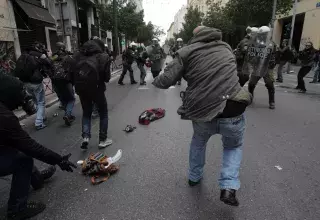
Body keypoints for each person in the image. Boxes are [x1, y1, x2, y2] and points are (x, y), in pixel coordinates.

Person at [153, 26, 252, 207]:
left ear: (195, 37)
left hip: (202, 109)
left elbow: (165, 81)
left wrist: (156, 78)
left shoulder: (186, 51)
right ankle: (229, 187)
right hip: (233, 106)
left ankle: (194, 177)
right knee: (233, 147)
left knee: (199, 141)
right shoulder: (226, 47)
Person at [0, 73, 76, 220]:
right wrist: (59, 159)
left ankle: (35, 178)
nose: (18, 105)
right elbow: (29, 146)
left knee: (16, 148)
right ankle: (16, 209)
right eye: (18, 98)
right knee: (24, 160)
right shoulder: (4, 117)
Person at [73, 38, 113, 150]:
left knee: (86, 113)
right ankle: (103, 140)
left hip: (81, 89)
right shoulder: (103, 56)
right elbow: (107, 78)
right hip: (97, 89)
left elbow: (72, 74)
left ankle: (85, 137)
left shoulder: (77, 56)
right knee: (103, 113)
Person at [14, 42, 53, 130]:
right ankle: (39, 122)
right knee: (41, 102)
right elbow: (49, 63)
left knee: (36, 101)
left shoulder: (22, 55)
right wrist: (48, 56)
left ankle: (42, 117)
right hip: (35, 82)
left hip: (25, 82)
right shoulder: (39, 55)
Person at [245, 26, 277, 110]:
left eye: (264, 34)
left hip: (267, 67)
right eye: (261, 34)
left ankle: (272, 101)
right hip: (257, 67)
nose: (263, 35)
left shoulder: (271, 44)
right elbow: (251, 54)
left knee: (270, 84)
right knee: (251, 83)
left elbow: (274, 55)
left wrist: (272, 62)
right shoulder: (255, 43)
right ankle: (250, 98)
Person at [51, 42, 76, 126]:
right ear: (63, 48)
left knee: (63, 100)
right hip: (66, 81)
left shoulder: (52, 58)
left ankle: (68, 114)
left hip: (55, 82)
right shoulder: (68, 57)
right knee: (71, 99)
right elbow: (74, 68)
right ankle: (67, 115)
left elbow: (48, 68)